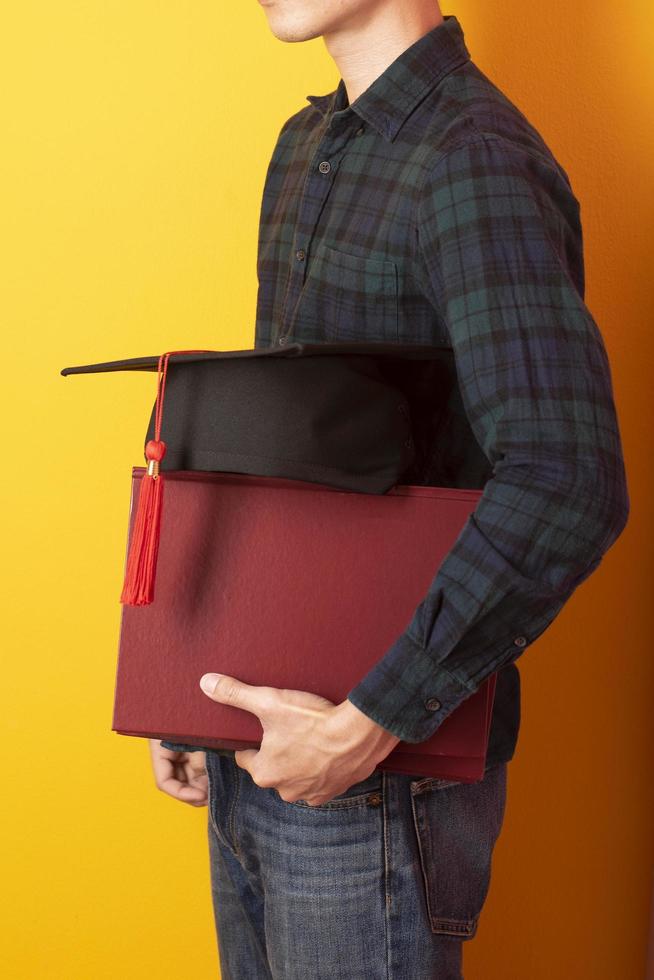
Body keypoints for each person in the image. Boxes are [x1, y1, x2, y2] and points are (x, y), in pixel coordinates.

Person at [148, 4, 630, 977]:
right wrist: (195, 692)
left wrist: (363, 726)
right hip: (263, 750)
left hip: (376, 775)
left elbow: (567, 478)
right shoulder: (307, 145)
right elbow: (291, 464)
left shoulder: (474, 159)